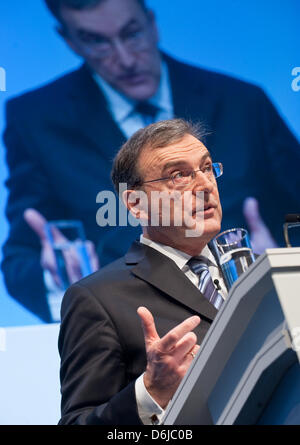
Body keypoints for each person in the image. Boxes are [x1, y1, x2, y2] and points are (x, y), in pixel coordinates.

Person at [2, 0, 300, 323]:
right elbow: (20, 259)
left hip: (265, 316)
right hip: (129, 332)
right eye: (97, 41)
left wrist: (285, 263)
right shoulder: (34, 121)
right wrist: (60, 277)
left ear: (152, 23)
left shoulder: (244, 102)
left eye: (132, 34)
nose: (126, 60)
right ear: (70, 41)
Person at [59, 118, 226, 425]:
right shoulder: (97, 299)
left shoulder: (254, 268)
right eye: (179, 176)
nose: (205, 185)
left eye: (206, 168)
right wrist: (151, 392)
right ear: (135, 204)